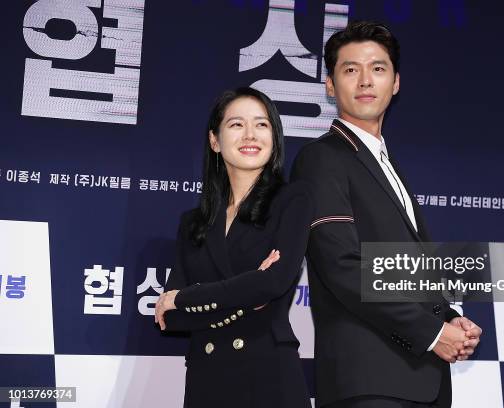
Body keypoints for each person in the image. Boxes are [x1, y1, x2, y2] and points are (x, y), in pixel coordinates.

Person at [290, 21, 482, 408]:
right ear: (330, 85)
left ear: (395, 83)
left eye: (378, 68)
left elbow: (404, 269)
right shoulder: (321, 158)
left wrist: (448, 317)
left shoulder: (384, 163)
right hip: (369, 383)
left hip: (419, 380)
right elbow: (343, 266)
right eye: (350, 70)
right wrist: (432, 332)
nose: (365, 81)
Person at [155, 87, 312, 408]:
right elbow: (170, 319)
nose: (251, 134)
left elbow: (272, 283)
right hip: (207, 376)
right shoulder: (193, 222)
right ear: (215, 140)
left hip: (268, 373)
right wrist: (246, 293)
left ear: (275, 137)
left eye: (262, 124)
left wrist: (187, 297)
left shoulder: (292, 200)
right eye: (237, 124)